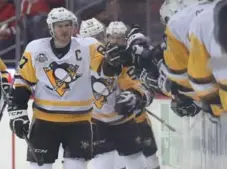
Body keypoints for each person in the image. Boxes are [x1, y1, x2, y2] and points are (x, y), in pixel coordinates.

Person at [7, 7, 118, 169]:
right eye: (59, 26)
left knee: (77, 167)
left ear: (74, 27)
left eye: (68, 25)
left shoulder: (89, 46)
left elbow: (105, 71)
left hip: (79, 123)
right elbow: (23, 82)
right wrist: (19, 113)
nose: (64, 29)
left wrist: (113, 63)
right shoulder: (35, 49)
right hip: (44, 122)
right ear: (51, 28)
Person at [80, 20, 150, 169]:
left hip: (123, 121)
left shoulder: (119, 57)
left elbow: (136, 85)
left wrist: (133, 97)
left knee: (136, 163)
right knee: (103, 165)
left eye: (98, 36)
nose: (94, 42)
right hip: (96, 121)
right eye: (89, 38)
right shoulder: (77, 61)